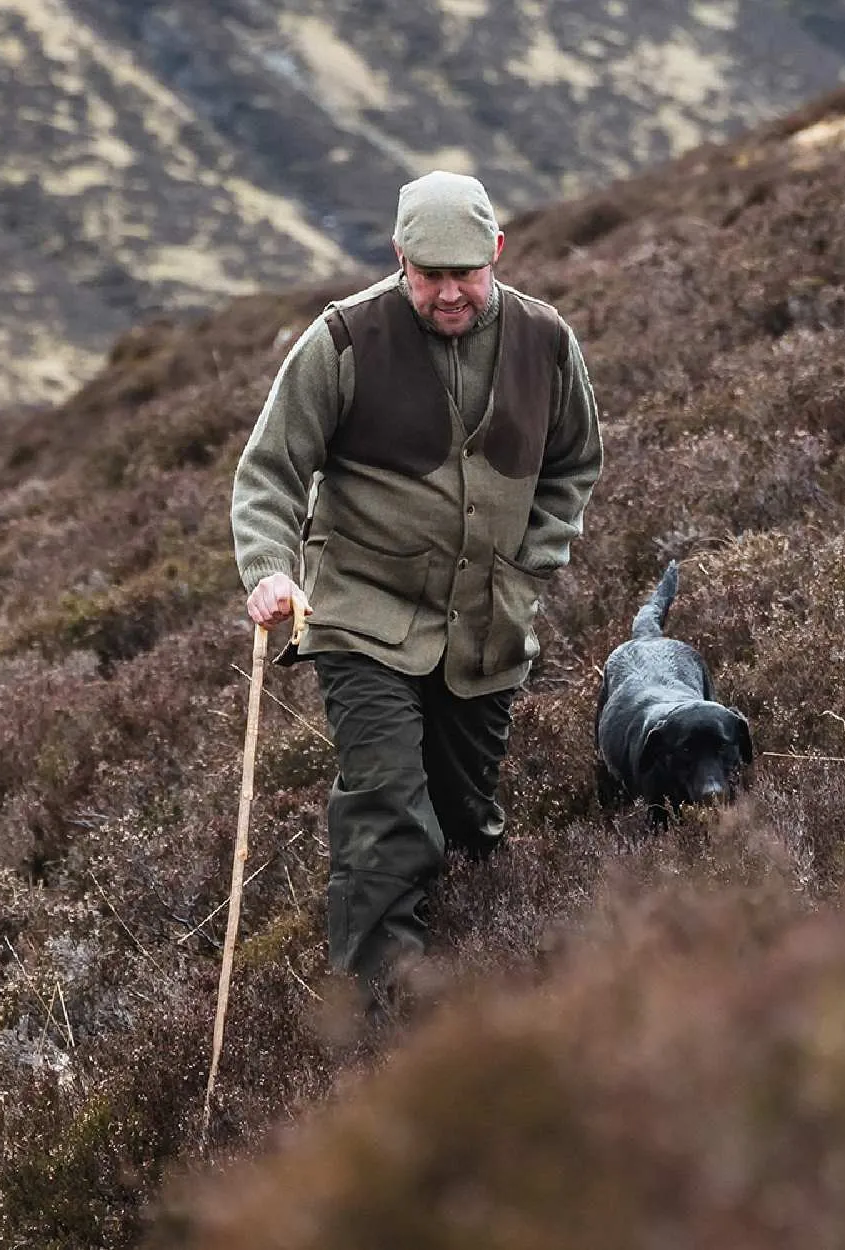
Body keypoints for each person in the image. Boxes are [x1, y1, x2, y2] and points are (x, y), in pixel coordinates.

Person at [231, 169, 602, 1009]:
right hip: (360, 618)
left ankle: (469, 997)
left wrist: (533, 559)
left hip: (487, 632)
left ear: (496, 253)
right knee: (389, 814)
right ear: (399, 259)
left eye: (464, 272)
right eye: (428, 273)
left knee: (466, 825)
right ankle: (375, 1027)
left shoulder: (546, 342)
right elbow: (270, 474)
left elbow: (576, 461)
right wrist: (270, 569)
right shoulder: (342, 342)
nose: (447, 292)